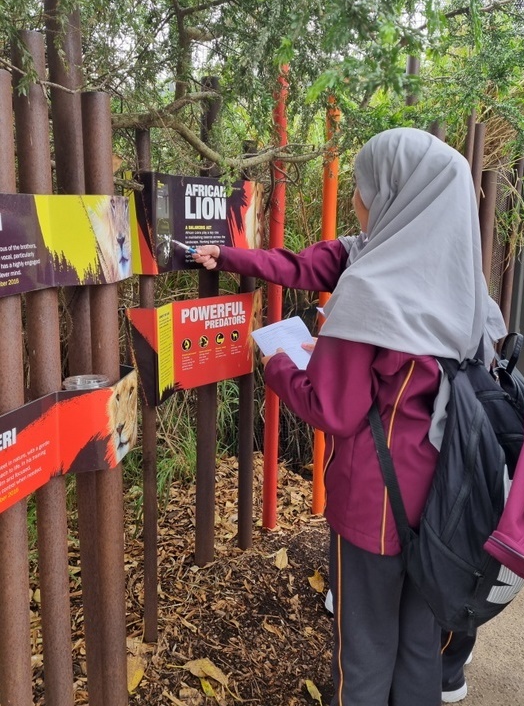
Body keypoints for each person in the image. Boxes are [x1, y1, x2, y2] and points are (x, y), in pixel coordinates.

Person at [194, 127, 491, 706]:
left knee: (363, 652)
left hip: (375, 509)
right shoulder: (465, 284)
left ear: (391, 194)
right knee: (416, 650)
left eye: (363, 186)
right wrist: (230, 254)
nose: (357, 199)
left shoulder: (369, 287)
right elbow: (310, 266)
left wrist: (281, 362)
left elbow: (333, 406)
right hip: (445, 502)